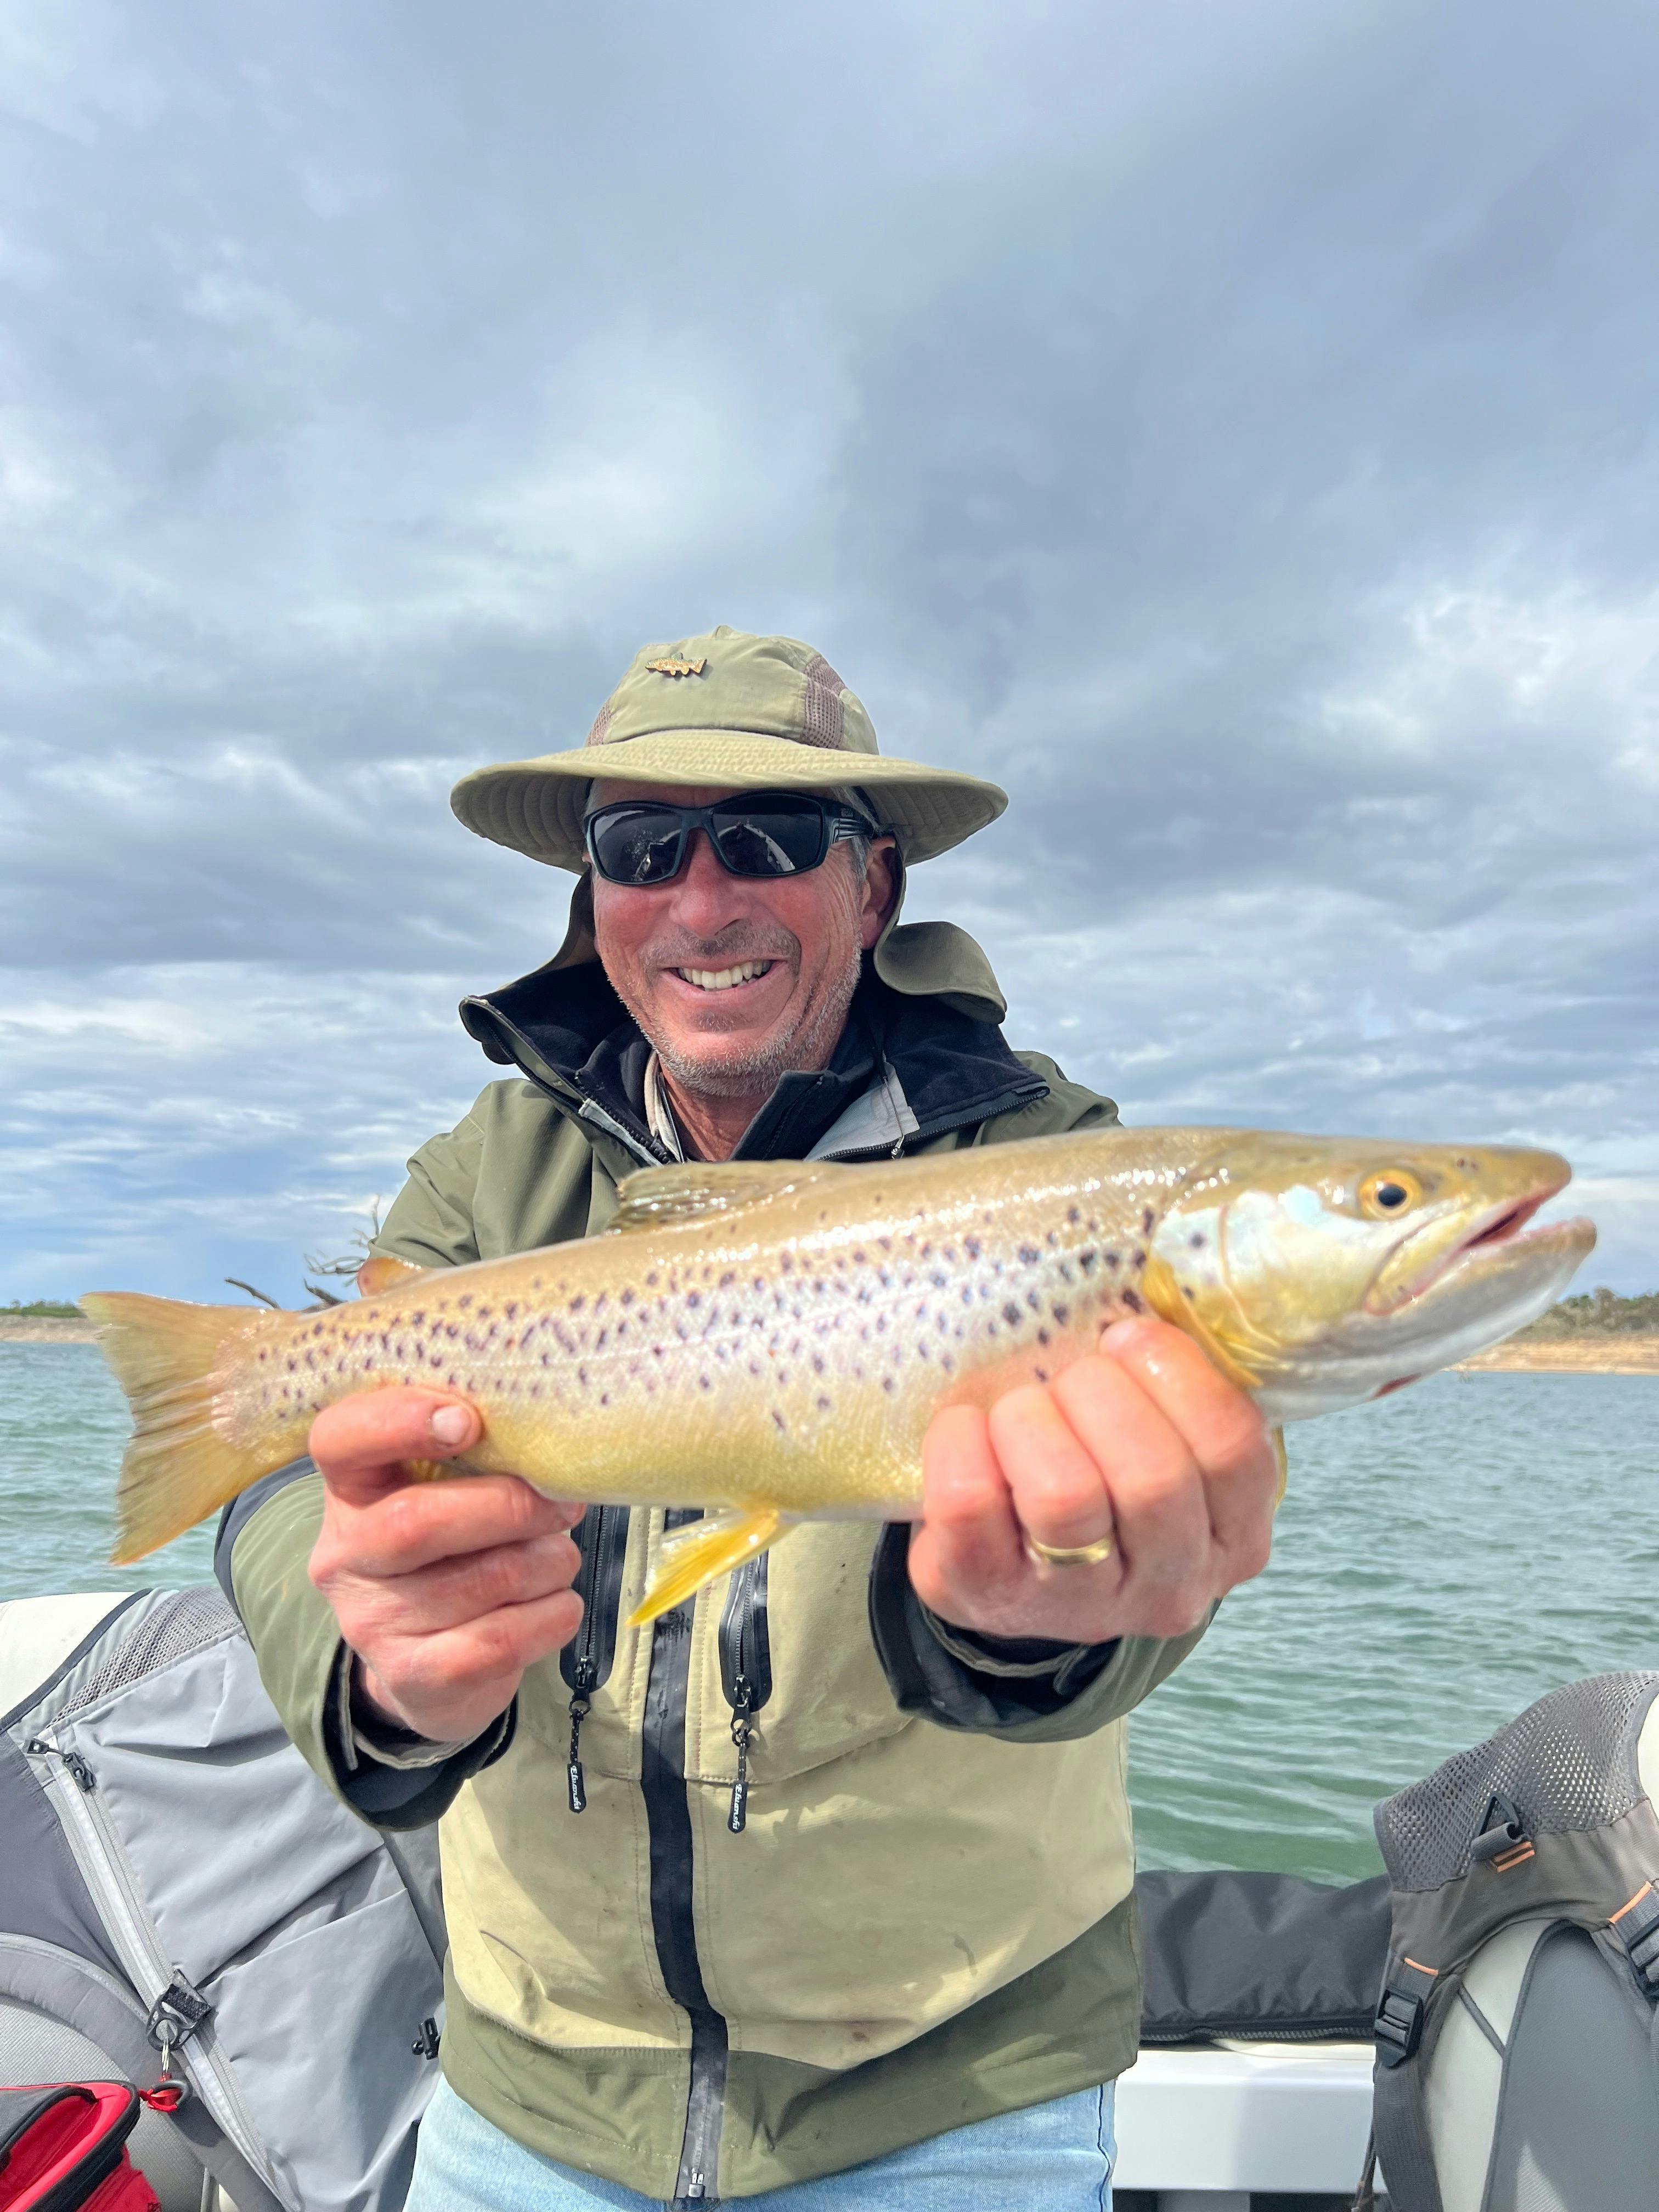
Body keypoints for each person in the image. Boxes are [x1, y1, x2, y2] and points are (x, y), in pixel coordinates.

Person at [221, 628, 1280, 2211]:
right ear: (595, 897)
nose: (703, 900)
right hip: (527, 2088)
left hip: (952, 2093)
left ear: (874, 888)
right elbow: (302, 1462)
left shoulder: (1061, 1162)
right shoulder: (483, 1174)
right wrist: (375, 1655)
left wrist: (1036, 1628)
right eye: (642, 848)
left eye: (771, 841)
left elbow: (1150, 1571)